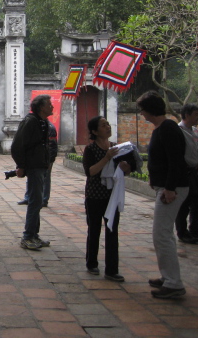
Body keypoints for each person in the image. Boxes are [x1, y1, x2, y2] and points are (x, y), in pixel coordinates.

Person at [136, 91, 189, 299]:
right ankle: (168, 277)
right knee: (164, 234)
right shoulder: (161, 128)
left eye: (142, 110)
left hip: (173, 188)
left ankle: (174, 283)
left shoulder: (168, 128)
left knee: (161, 234)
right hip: (166, 186)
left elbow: (176, 161)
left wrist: (169, 188)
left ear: (150, 110)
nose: (141, 114)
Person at [82, 116, 135, 282]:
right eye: (103, 125)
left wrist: (126, 168)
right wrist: (106, 157)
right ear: (95, 131)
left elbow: (125, 170)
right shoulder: (91, 149)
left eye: (108, 124)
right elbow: (90, 171)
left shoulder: (116, 148)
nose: (108, 127)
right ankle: (92, 263)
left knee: (112, 230)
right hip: (94, 195)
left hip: (112, 195)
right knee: (94, 229)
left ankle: (112, 269)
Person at [11, 95, 53, 250]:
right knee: (35, 202)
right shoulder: (30, 122)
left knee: (37, 201)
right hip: (34, 166)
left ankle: (34, 234)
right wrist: (21, 165)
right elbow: (17, 146)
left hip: (41, 166)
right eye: (49, 104)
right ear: (41, 107)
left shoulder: (43, 122)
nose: (52, 107)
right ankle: (28, 236)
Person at [175, 104, 198, 243]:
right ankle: (182, 232)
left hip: (196, 172)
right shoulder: (178, 131)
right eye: (196, 114)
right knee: (184, 205)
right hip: (185, 172)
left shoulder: (195, 131)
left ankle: (195, 230)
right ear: (187, 115)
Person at [18, 121, 58, 207]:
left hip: (46, 158)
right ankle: (28, 197)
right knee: (30, 177)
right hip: (35, 158)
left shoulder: (49, 127)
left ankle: (44, 199)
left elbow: (52, 145)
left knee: (45, 178)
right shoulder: (35, 125)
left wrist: (50, 159)